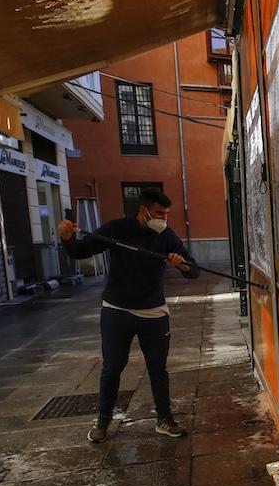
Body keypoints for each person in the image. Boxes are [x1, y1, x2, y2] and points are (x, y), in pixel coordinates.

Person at [58, 187, 200, 443]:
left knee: (158, 369)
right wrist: (67, 238)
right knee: (112, 367)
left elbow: (194, 270)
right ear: (143, 211)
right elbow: (80, 251)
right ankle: (102, 420)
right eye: (159, 213)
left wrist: (183, 264)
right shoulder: (117, 229)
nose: (164, 219)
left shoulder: (166, 236)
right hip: (117, 311)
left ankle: (165, 420)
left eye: (167, 214)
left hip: (154, 312)